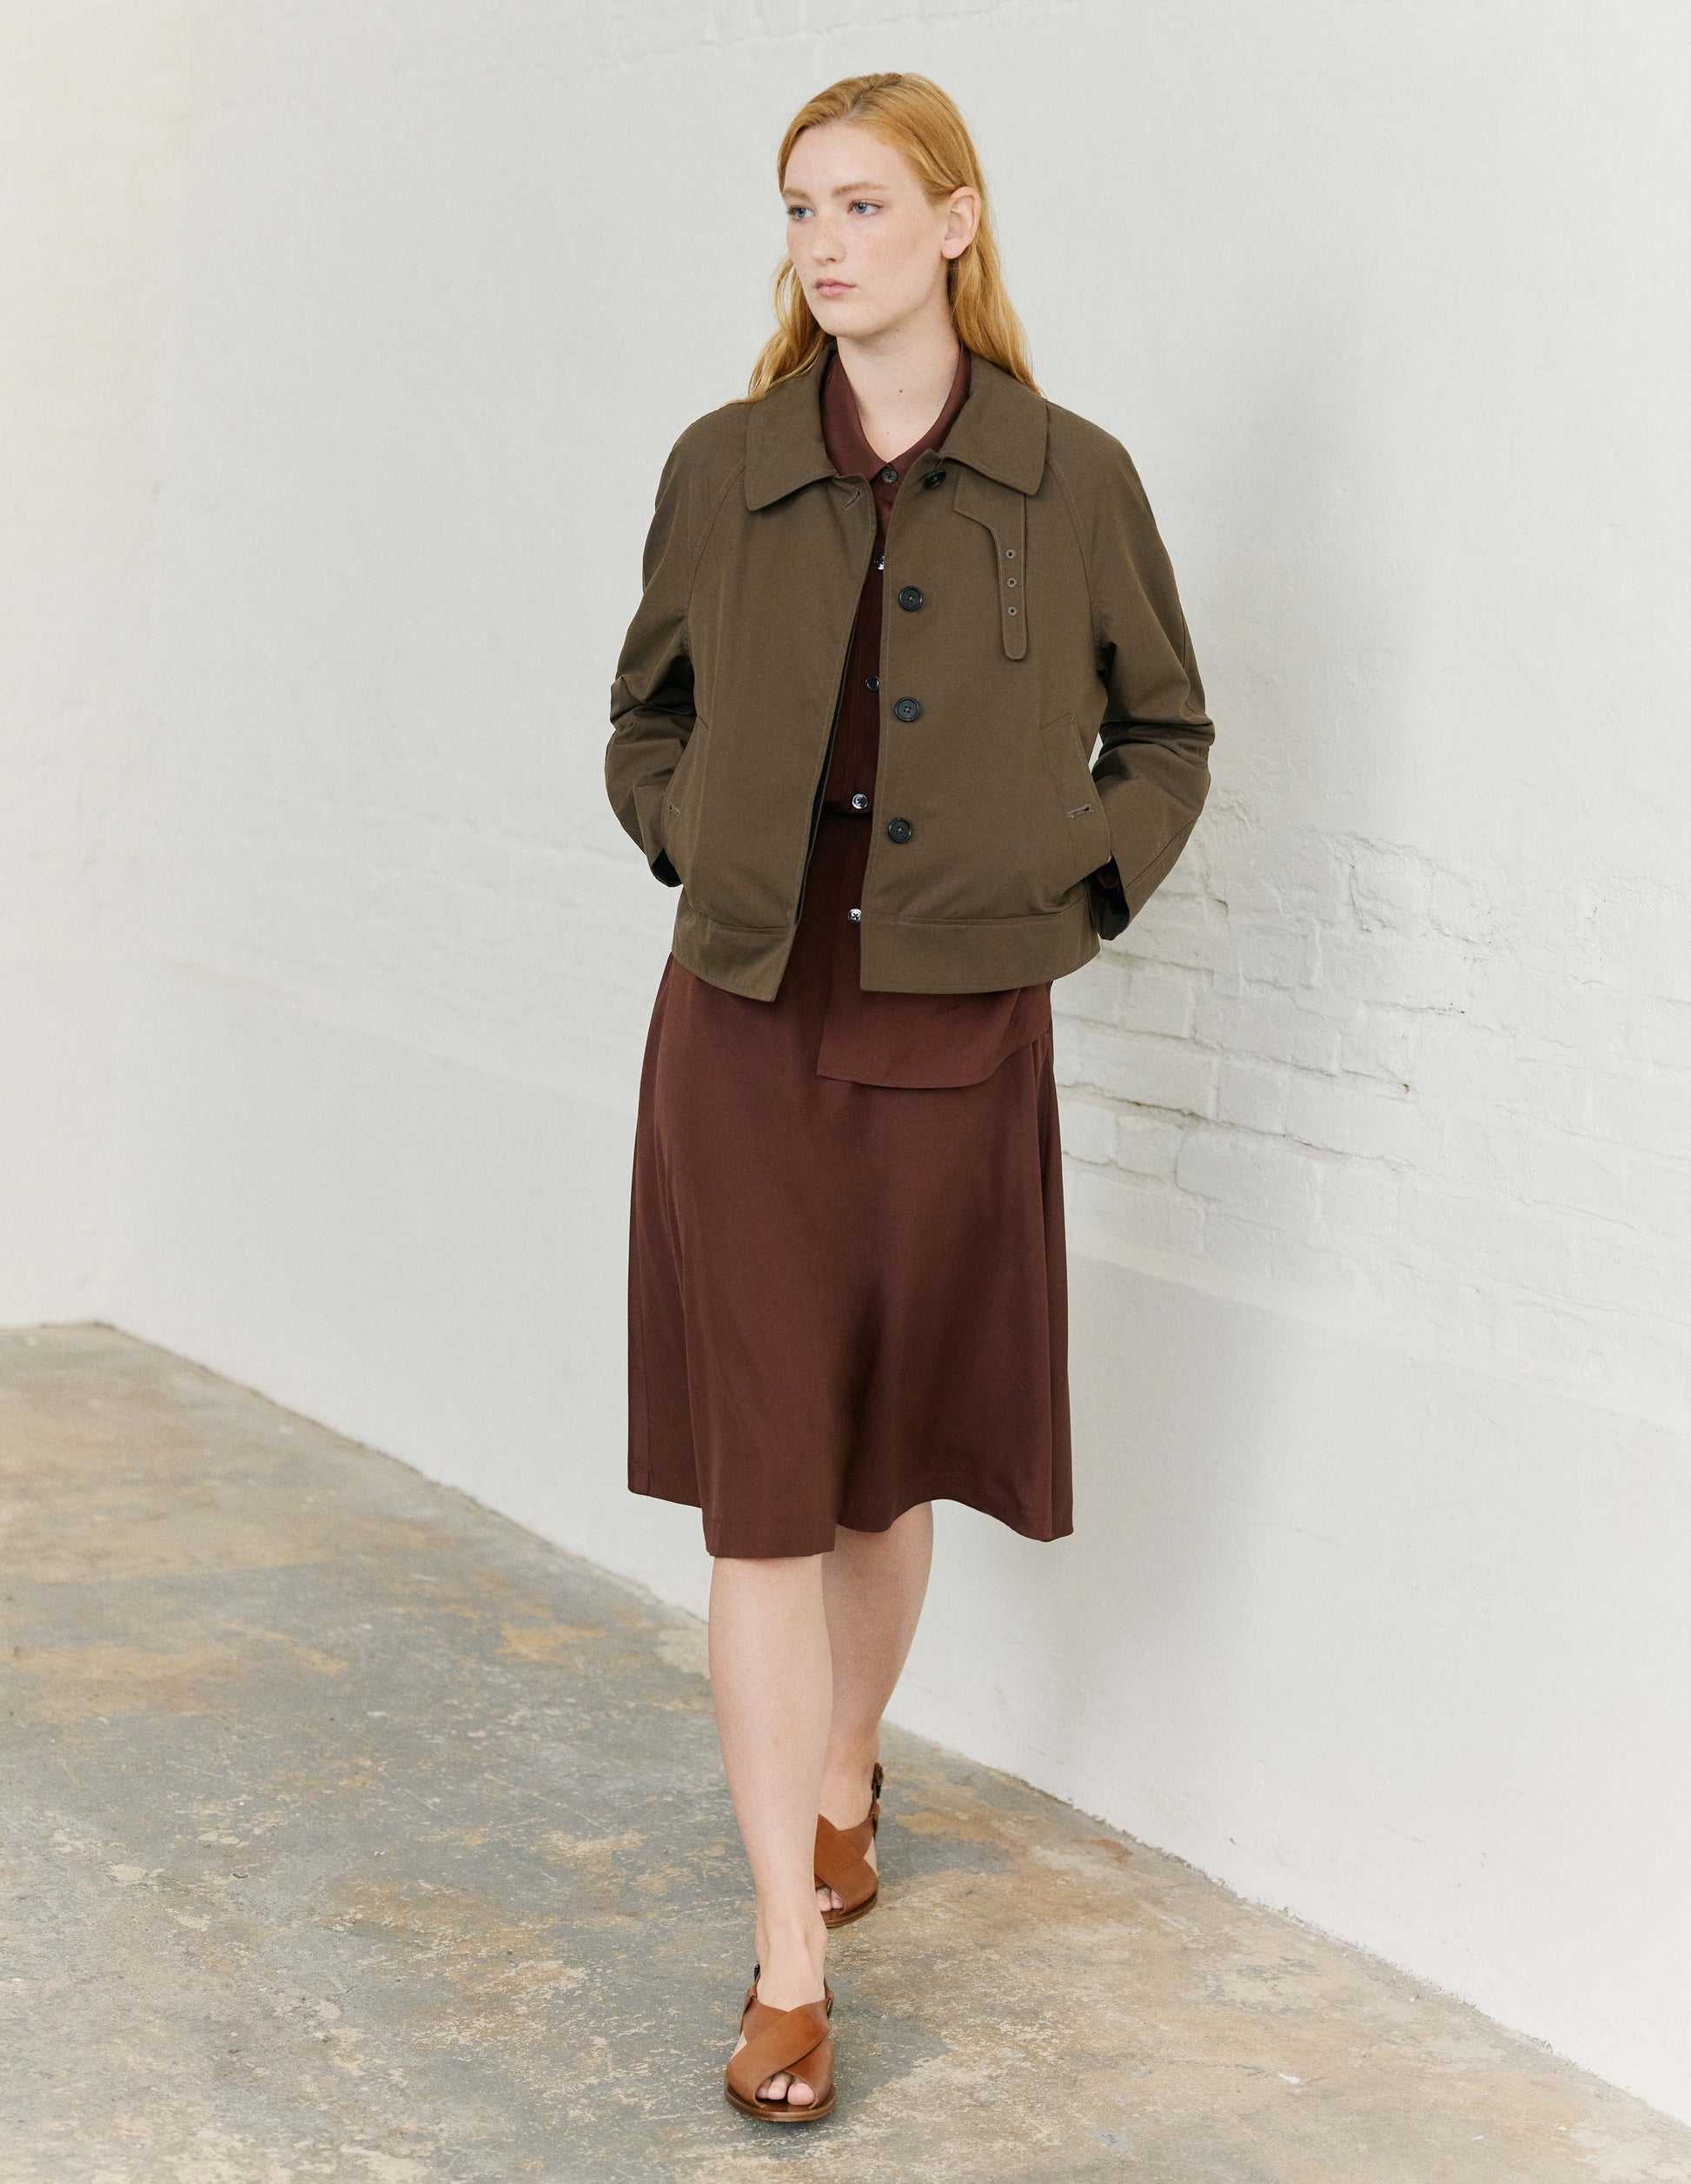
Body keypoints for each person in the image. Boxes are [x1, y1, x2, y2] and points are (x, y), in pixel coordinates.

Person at [604, 70, 1213, 2125]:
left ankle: (851, 1770)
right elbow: (642, 711)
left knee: (878, 1480)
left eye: (864, 202)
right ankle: (788, 1954)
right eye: (799, 207)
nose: (825, 241)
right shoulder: (723, 467)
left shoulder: (1072, 476)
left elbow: (1168, 732)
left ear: (957, 224)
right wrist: (696, 835)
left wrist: (1074, 895)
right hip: (746, 1037)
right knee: (765, 1496)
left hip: (956, 1031)